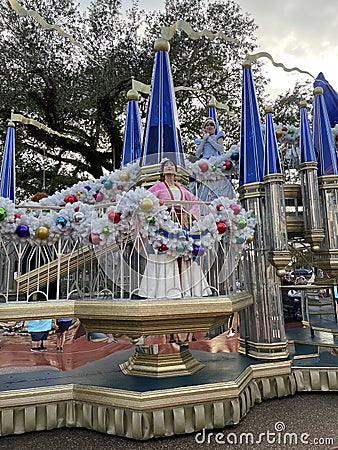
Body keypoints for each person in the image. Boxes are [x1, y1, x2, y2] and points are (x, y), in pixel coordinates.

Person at [138, 158, 211, 299]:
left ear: (176, 170)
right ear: (162, 170)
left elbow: (194, 201)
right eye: (166, 165)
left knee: (185, 253)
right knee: (167, 253)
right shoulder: (158, 186)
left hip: (183, 221)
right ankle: (166, 290)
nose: (169, 167)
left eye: (171, 165)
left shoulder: (181, 188)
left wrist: (192, 214)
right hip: (167, 221)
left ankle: (188, 289)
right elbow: (146, 199)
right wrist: (157, 212)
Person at [193, 118, 235, 201]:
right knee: (204, 183)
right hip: (204, 163)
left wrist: (210, 140)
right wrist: (204, 141)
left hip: (215, 161)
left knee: (217, 180)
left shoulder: (218, 136)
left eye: (211, 125)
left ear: (214, 127)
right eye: (207, 125)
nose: (209, 127)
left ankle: (218, 199)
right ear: (204, 128)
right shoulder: (201, 140)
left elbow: (220, 149)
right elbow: (197, 154)